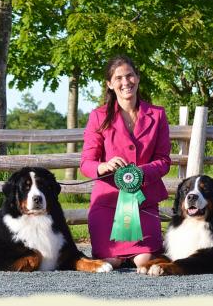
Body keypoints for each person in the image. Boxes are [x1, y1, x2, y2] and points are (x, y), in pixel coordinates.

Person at [80, 55, 171, 269]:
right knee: (111, 262)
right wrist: (103, 167)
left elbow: (164, 160)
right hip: (107, 206)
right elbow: (86, 163)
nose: (125, 82)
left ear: (138, 78)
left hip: (143, 203)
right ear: (110, 84)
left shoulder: (158, 115)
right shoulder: (97, 116)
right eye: (118, 78)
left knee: (145, 261)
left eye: (130, 75)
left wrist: (141, 172)